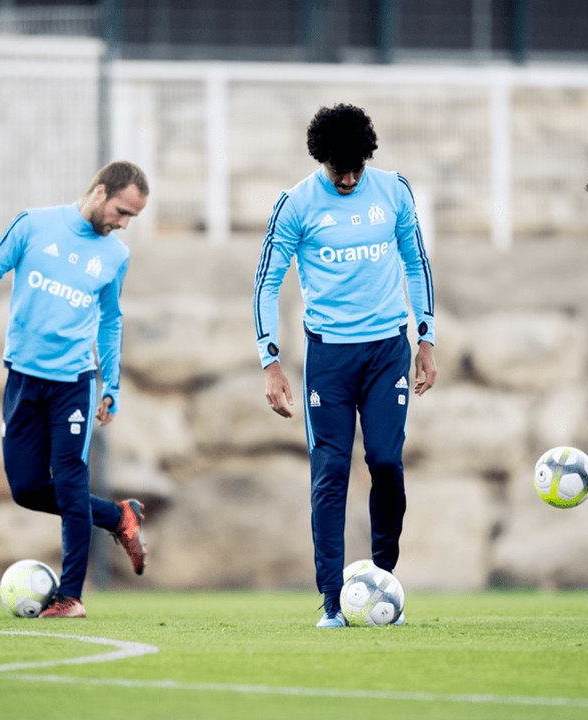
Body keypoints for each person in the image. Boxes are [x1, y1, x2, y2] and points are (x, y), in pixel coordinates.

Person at [252, 104, 437, 628]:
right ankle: (333, 602)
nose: (350, 178)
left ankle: (382, 582)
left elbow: (416, 263)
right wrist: (270, 361)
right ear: (321, 161)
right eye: (340, 170)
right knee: (330, 473)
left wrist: (426, 338)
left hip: (386, 352)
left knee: (385, 462)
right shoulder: (295, 204)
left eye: (357, 167)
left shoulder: (394, 190)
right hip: (329, 357)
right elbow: (266, 283)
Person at [0, 160, 151, 619]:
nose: (123, 225)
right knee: (26, 488)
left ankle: (70, 596)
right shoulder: (33, 225)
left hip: (74, 385)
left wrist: (112, 385)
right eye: (122, 212)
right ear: (101, 192)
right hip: (23, 379)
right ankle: (117, 516)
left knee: (69, 484)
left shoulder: (115, 256)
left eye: (131, 219)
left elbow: (110, 320)